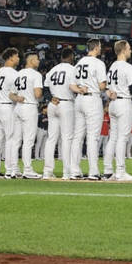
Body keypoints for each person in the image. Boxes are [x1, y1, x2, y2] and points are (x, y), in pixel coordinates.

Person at [69, 38, 108, 180]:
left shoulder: (79, 63)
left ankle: (74, 171)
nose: (100, 49)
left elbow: (71, 86)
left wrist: (80, 90)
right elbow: (102, 86)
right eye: (100, 47)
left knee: (77, 137)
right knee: (93, 137)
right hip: (92, 99)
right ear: (96, 48)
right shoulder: (98, 63)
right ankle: (93, 172)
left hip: (79, 99)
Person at [102, 40, 132, 181]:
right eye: (129, 48)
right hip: (123, 102)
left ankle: (108, 170)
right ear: (123, 50)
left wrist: (109, 92)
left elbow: (107, 87)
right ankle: (121, 171)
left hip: (113, 103)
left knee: (113, 138)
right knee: (122, 138)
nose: (130, 51)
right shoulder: (128, 67)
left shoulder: (112, 66)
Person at [43, 48, 77, 180]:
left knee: (51, 139)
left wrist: (49, 98)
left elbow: (45, 88)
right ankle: (66, 172)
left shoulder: (53, 70)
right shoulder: (72, 69)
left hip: (53, 104)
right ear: (71, 57)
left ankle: (47, 172)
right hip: (66, 103)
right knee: (66, 138)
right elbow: (74, 86)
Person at [0, 48, 22, 179]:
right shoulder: (14, 73)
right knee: (11, 139)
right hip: (8, 107)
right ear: (11, 57)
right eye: (17, 56)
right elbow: (16, 93)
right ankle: (9, 169)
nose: (18, 59)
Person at [12, 50, 44, 179]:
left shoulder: (18, 74)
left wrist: (18, 98)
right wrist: (40, 94)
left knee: (16, 140)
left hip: (18, 107)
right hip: (29, 107)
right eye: (37, 59)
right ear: (31, 61)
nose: (39, 61)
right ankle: (27, 169)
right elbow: (37, 94)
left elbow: (11, 94)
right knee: (28, 140)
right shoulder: (36, 75)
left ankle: (14, 169)